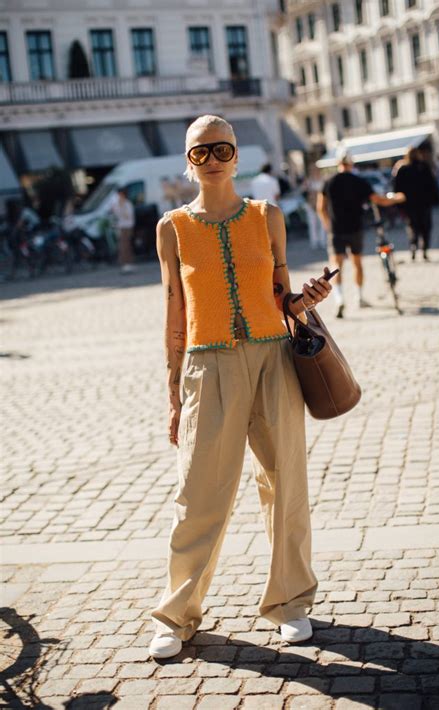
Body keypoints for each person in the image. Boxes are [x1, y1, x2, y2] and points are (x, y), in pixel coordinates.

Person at [150, 114, 333, 660]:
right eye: (201, 152)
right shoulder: (172, 227)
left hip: (273, 359)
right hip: (207, 365)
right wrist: (173, 392)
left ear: (237, 156)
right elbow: (173, 311)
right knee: (199, 492)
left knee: (285, 484)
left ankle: (291, 602)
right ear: (188, 161)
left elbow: (280, 296)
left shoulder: (266, 215)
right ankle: (176, 613)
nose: (212, 160)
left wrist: (305, 299)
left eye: (222, 149)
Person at [317, 150, 405, 318]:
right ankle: (358, 297)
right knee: (357, 263)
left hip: (337, 230)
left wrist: (328, 225)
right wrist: (396, 199)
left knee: (336, 266)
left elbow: (320, 208)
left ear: (338, 164)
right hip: (355, 228)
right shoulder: (359, 181)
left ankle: (340, 299)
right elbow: (378, 200)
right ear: (351, 164)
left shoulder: (329, 182)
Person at [394, 147, 439, 260]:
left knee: (413, 228)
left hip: (410, 205)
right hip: (423, 204)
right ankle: (423, 250)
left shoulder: (404, 169)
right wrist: (436, 199)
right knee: (425, 227)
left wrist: (399, 204)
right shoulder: (423, 167)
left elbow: (397, 188)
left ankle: (414, 248)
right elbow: (432, 185)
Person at [110, 187, 135, 274]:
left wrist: (122, 207)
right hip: (120, 227)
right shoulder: (117, 204)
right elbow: (114, 214)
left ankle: (128, 264)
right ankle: (125, 264)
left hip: (127, 227)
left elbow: (128, 216)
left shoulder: (127, 204)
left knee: (125, 245)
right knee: (122, 246)